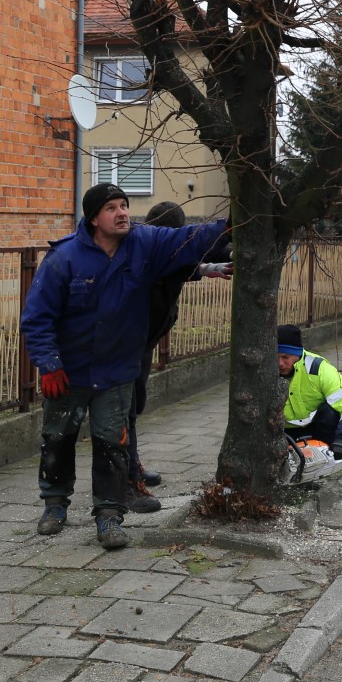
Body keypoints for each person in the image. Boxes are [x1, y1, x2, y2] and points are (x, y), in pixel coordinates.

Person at [21, 183, 229, 549]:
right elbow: (37, 317)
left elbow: (187, 239)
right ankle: (54, 505)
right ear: (93, 218)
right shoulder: (64, 259)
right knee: (57, 438)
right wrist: (49, 363)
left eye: (124, 205)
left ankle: (109, 516)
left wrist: (229, 226)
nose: (121, 213)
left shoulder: (143, 244)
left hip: (117, 370)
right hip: (69, 372)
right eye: (111, 208)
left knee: (111, 445)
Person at [123, 201, 231, 514]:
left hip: (143, 341)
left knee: (135, 403)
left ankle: (131, 465)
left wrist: (218, 262)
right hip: (127, 341)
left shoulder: (165, 250)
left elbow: (197, 255)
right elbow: (183, 260)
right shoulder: (147, 250)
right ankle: (126, 477)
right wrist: (207, 267)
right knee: (125, 408)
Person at [277, 323, 342, 479]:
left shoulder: (319, 369)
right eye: (275, 357)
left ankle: (324, 461)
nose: (280, 364)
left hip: (316, 429)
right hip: (282, 432)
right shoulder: (263, 372)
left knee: (330, 411)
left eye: (285, 357)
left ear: (298, 354)